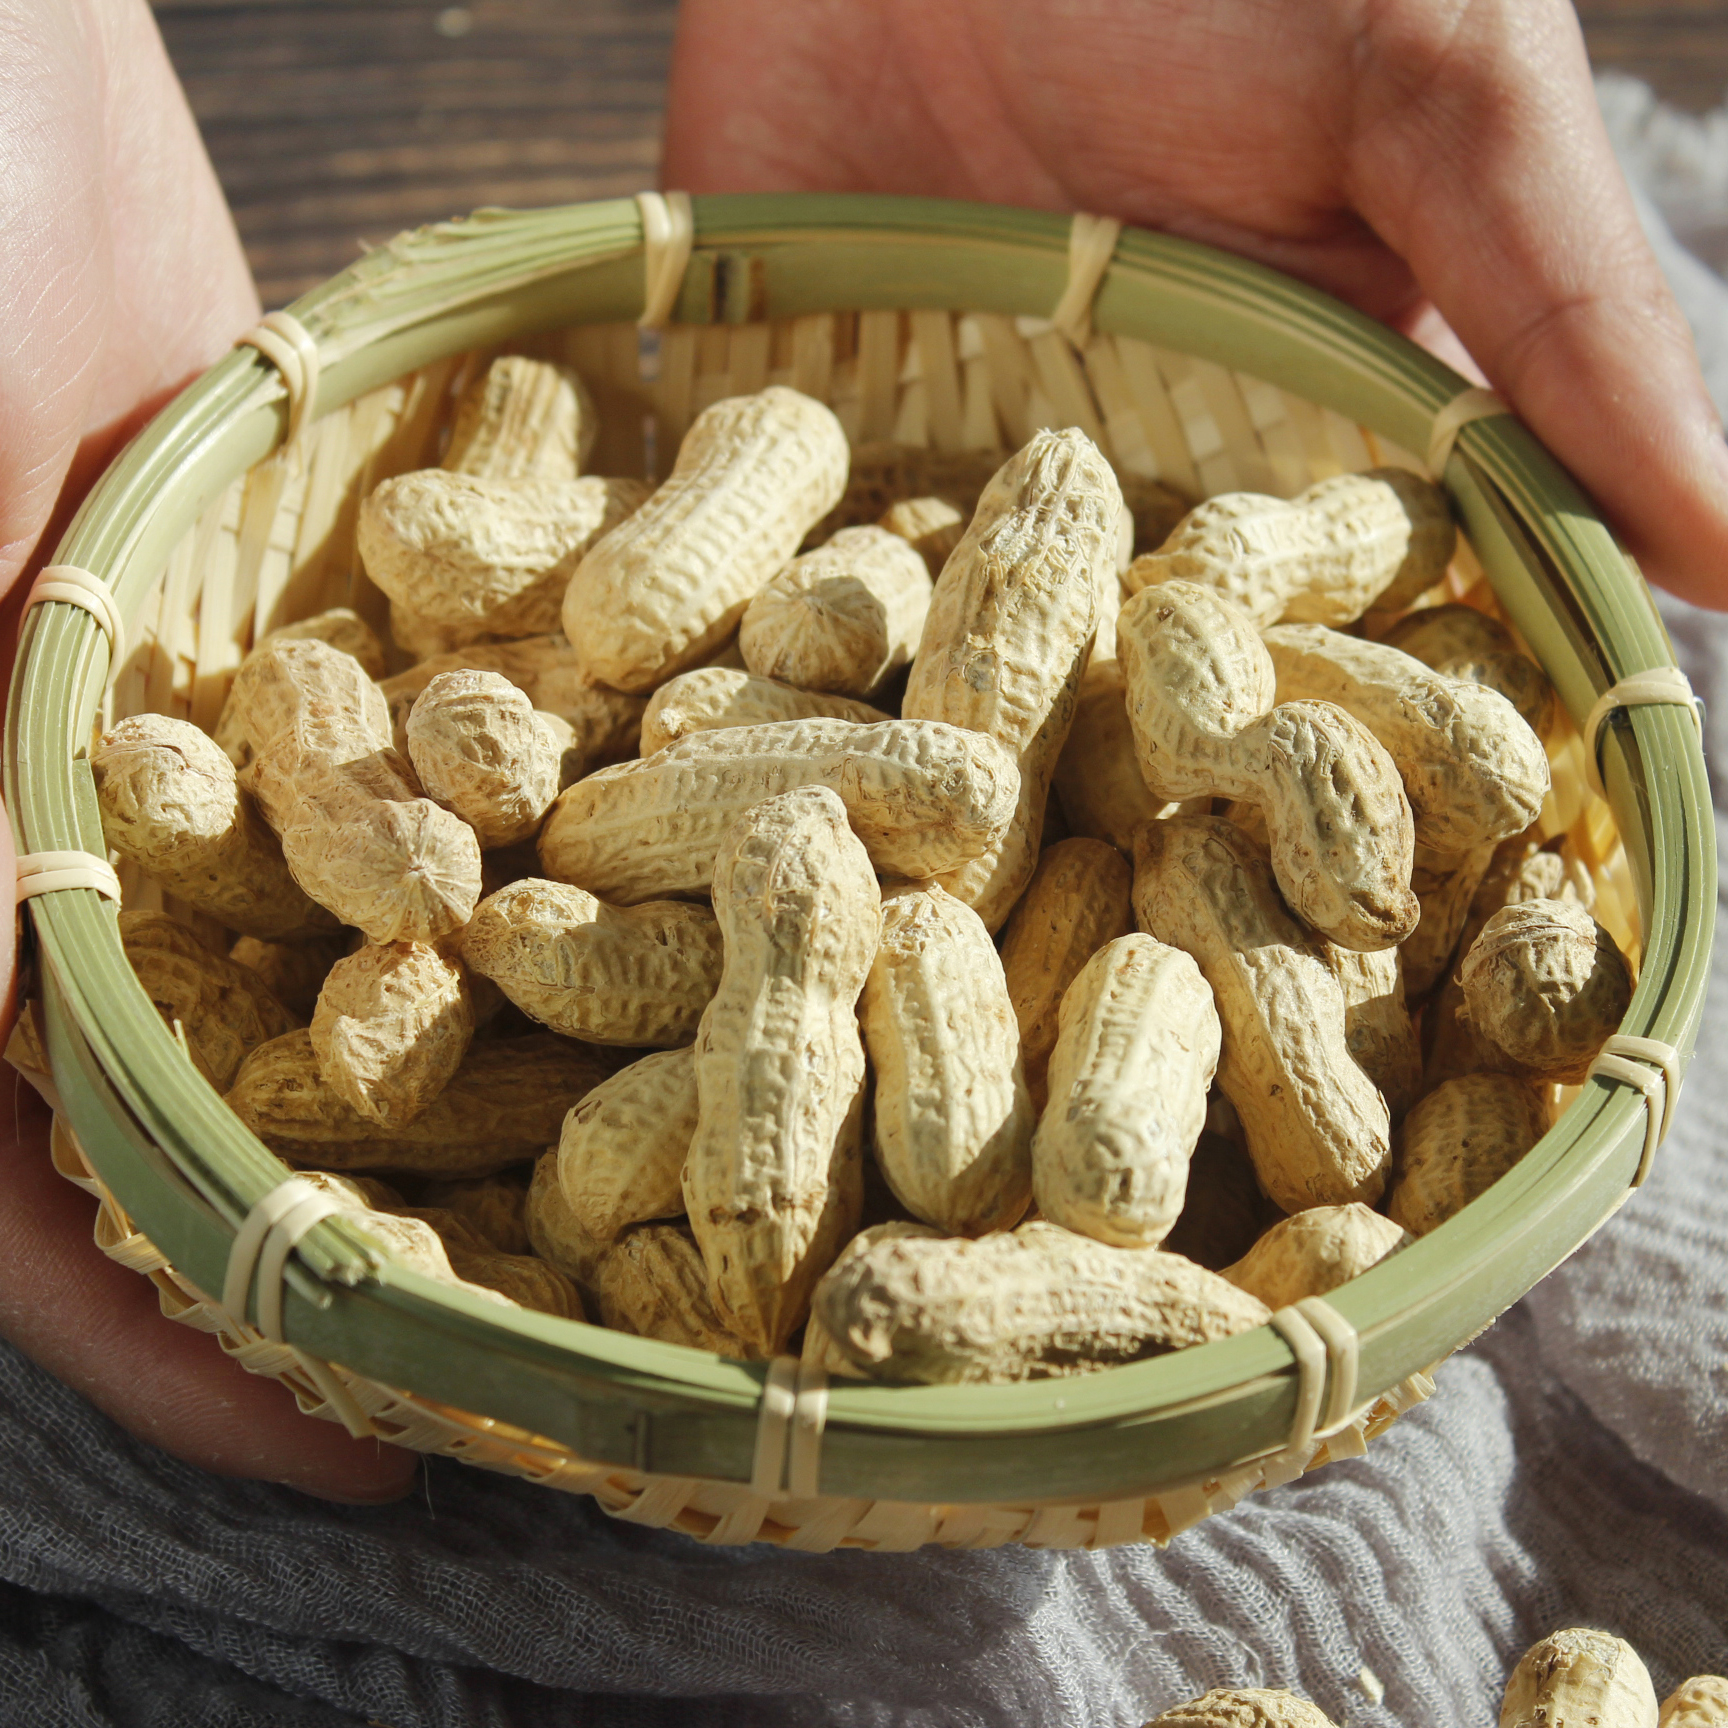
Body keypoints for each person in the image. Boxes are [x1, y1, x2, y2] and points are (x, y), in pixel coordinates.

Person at [0, 0, 1720, 1509]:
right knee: (824, 829)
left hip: (878, 918)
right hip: (721, 873)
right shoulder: (688, 765)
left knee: (1015, 864)